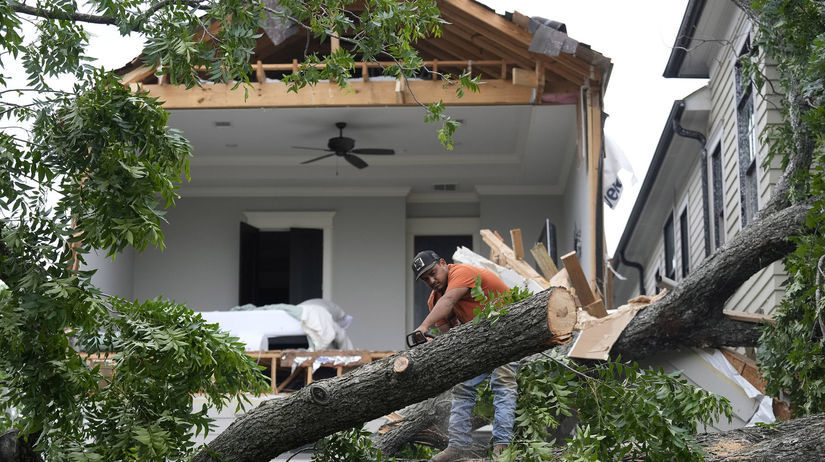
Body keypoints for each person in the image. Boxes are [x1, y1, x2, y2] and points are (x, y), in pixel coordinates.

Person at [411, 250, 518, 462]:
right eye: (426, 279)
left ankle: (502, 447)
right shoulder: (435, 301)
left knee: (503, 385)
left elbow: (450, 300)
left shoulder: (461, 272)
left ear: (443, 263)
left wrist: (423, 326)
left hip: (506, 331)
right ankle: (458, 446)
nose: (432, 280)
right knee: (462, 387)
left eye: (433, 273)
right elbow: (450, 339)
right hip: (480, 341)